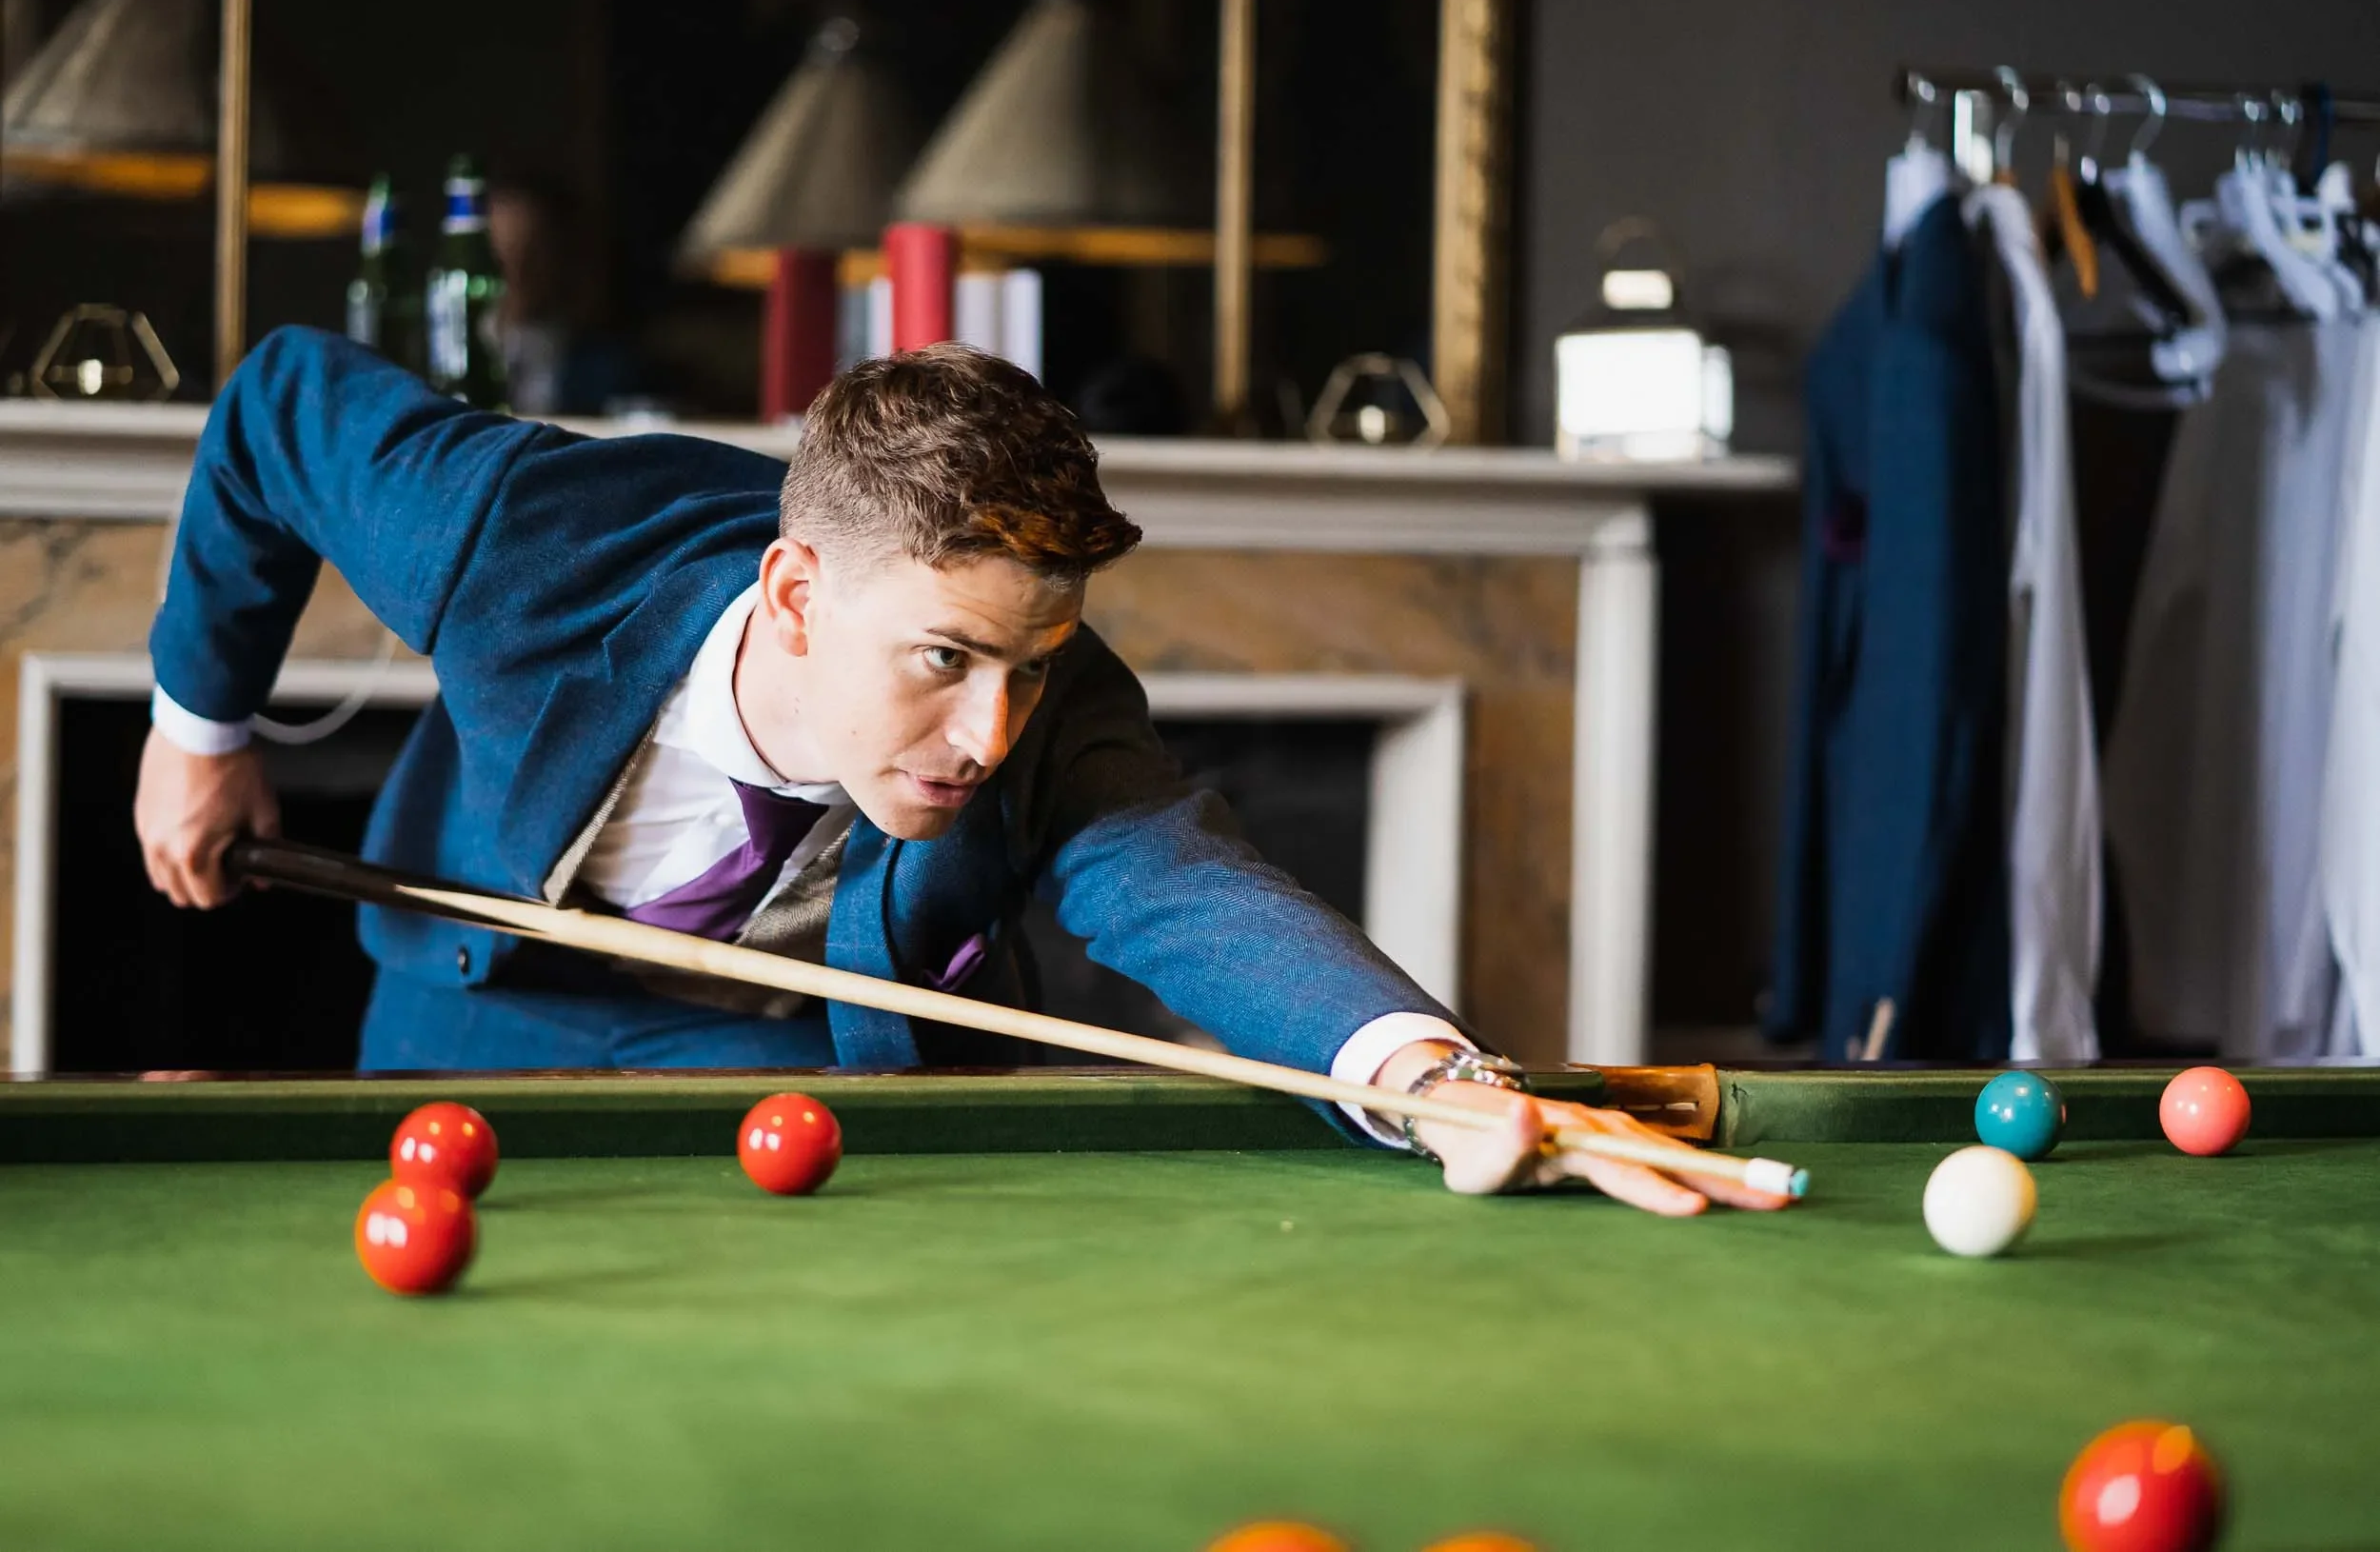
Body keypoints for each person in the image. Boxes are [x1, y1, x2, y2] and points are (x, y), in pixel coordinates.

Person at [134, 327, 1779, 1214]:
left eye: (1031, 663)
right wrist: (198, 737)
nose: (992, 735)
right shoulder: (525, 541)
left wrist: (1430, 1077)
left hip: (792, 1076)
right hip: (475, 1015)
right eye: (941, 660)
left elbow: (1183, 882)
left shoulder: (1050, 713)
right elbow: (278, 409)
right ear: (794, 595)